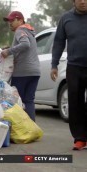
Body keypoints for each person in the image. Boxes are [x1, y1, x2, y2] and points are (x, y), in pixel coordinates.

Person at [51, 0, 87, 150]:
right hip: (74, 67)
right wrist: (54, 64)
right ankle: (80, 138)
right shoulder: (66, 18)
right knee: (74, 102)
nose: (83, 1)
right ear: (74, 1)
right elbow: (59, 41)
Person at [1, 11, 40, 121]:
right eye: (9, 21)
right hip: (35, 71)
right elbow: (25, 45)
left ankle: (18, 130)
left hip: (23, 72)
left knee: (16, 100)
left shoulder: (20, 30)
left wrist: (8, 51)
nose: (10, 23)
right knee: (29, 100)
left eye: (12, 20)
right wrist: (10, 47)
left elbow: (25, 44)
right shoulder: (30, 31)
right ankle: (32, 128)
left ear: (20, 20)